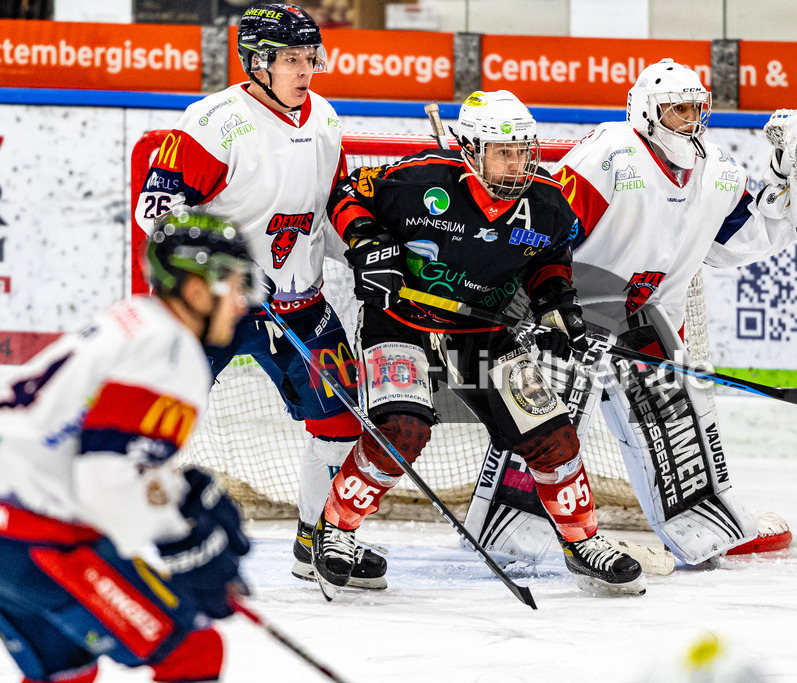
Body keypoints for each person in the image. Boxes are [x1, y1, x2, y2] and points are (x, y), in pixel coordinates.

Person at [463, 59, 797, 569]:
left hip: (648, 316)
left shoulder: (718, 168)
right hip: (570, 312)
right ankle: (509, 533)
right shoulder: (611, 153)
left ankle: (705, 528)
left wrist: (790, 188)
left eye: (697, 108)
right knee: (544, 427)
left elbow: (734, 243)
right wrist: (523, 303)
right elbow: (548, 226)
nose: (690, 120)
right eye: (677, 109)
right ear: (647, 112)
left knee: (675, 426)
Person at [314, 89, 645, 598]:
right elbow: (348, 195)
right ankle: (334, 531)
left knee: (551, 434)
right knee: (401, 429)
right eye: (503, 152)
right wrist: (368, 244)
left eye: (523, 151)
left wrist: (558, 305)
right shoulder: (418, 180)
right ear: (470, 150)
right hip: (401, 319)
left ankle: (582, 540)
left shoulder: (547, 203)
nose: (517, 164)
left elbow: (547, 261)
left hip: (483, 328)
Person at [134, 3, 387, 589]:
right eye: (291, 59)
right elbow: (158, 211)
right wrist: (227, 271)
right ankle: (135, 537)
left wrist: (367, 248)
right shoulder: (214, 120)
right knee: (156, 418)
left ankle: (316, 541)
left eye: (309, 58)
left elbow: (334, 204)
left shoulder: (323, 117)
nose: (305, 70)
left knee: (342, 422)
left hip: (299, 305)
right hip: (208, 310)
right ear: (256, 62)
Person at [0, 209, 255, 683]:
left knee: (69, 669)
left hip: (13, 524)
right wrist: (185, 543)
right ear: (197, 290)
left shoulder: (132, 319)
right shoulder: (170, 350)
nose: (243, 302)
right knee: (192, 653)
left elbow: (105, 450)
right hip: (36, 537)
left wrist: (175, 495)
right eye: (236, 285)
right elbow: (105, 478)